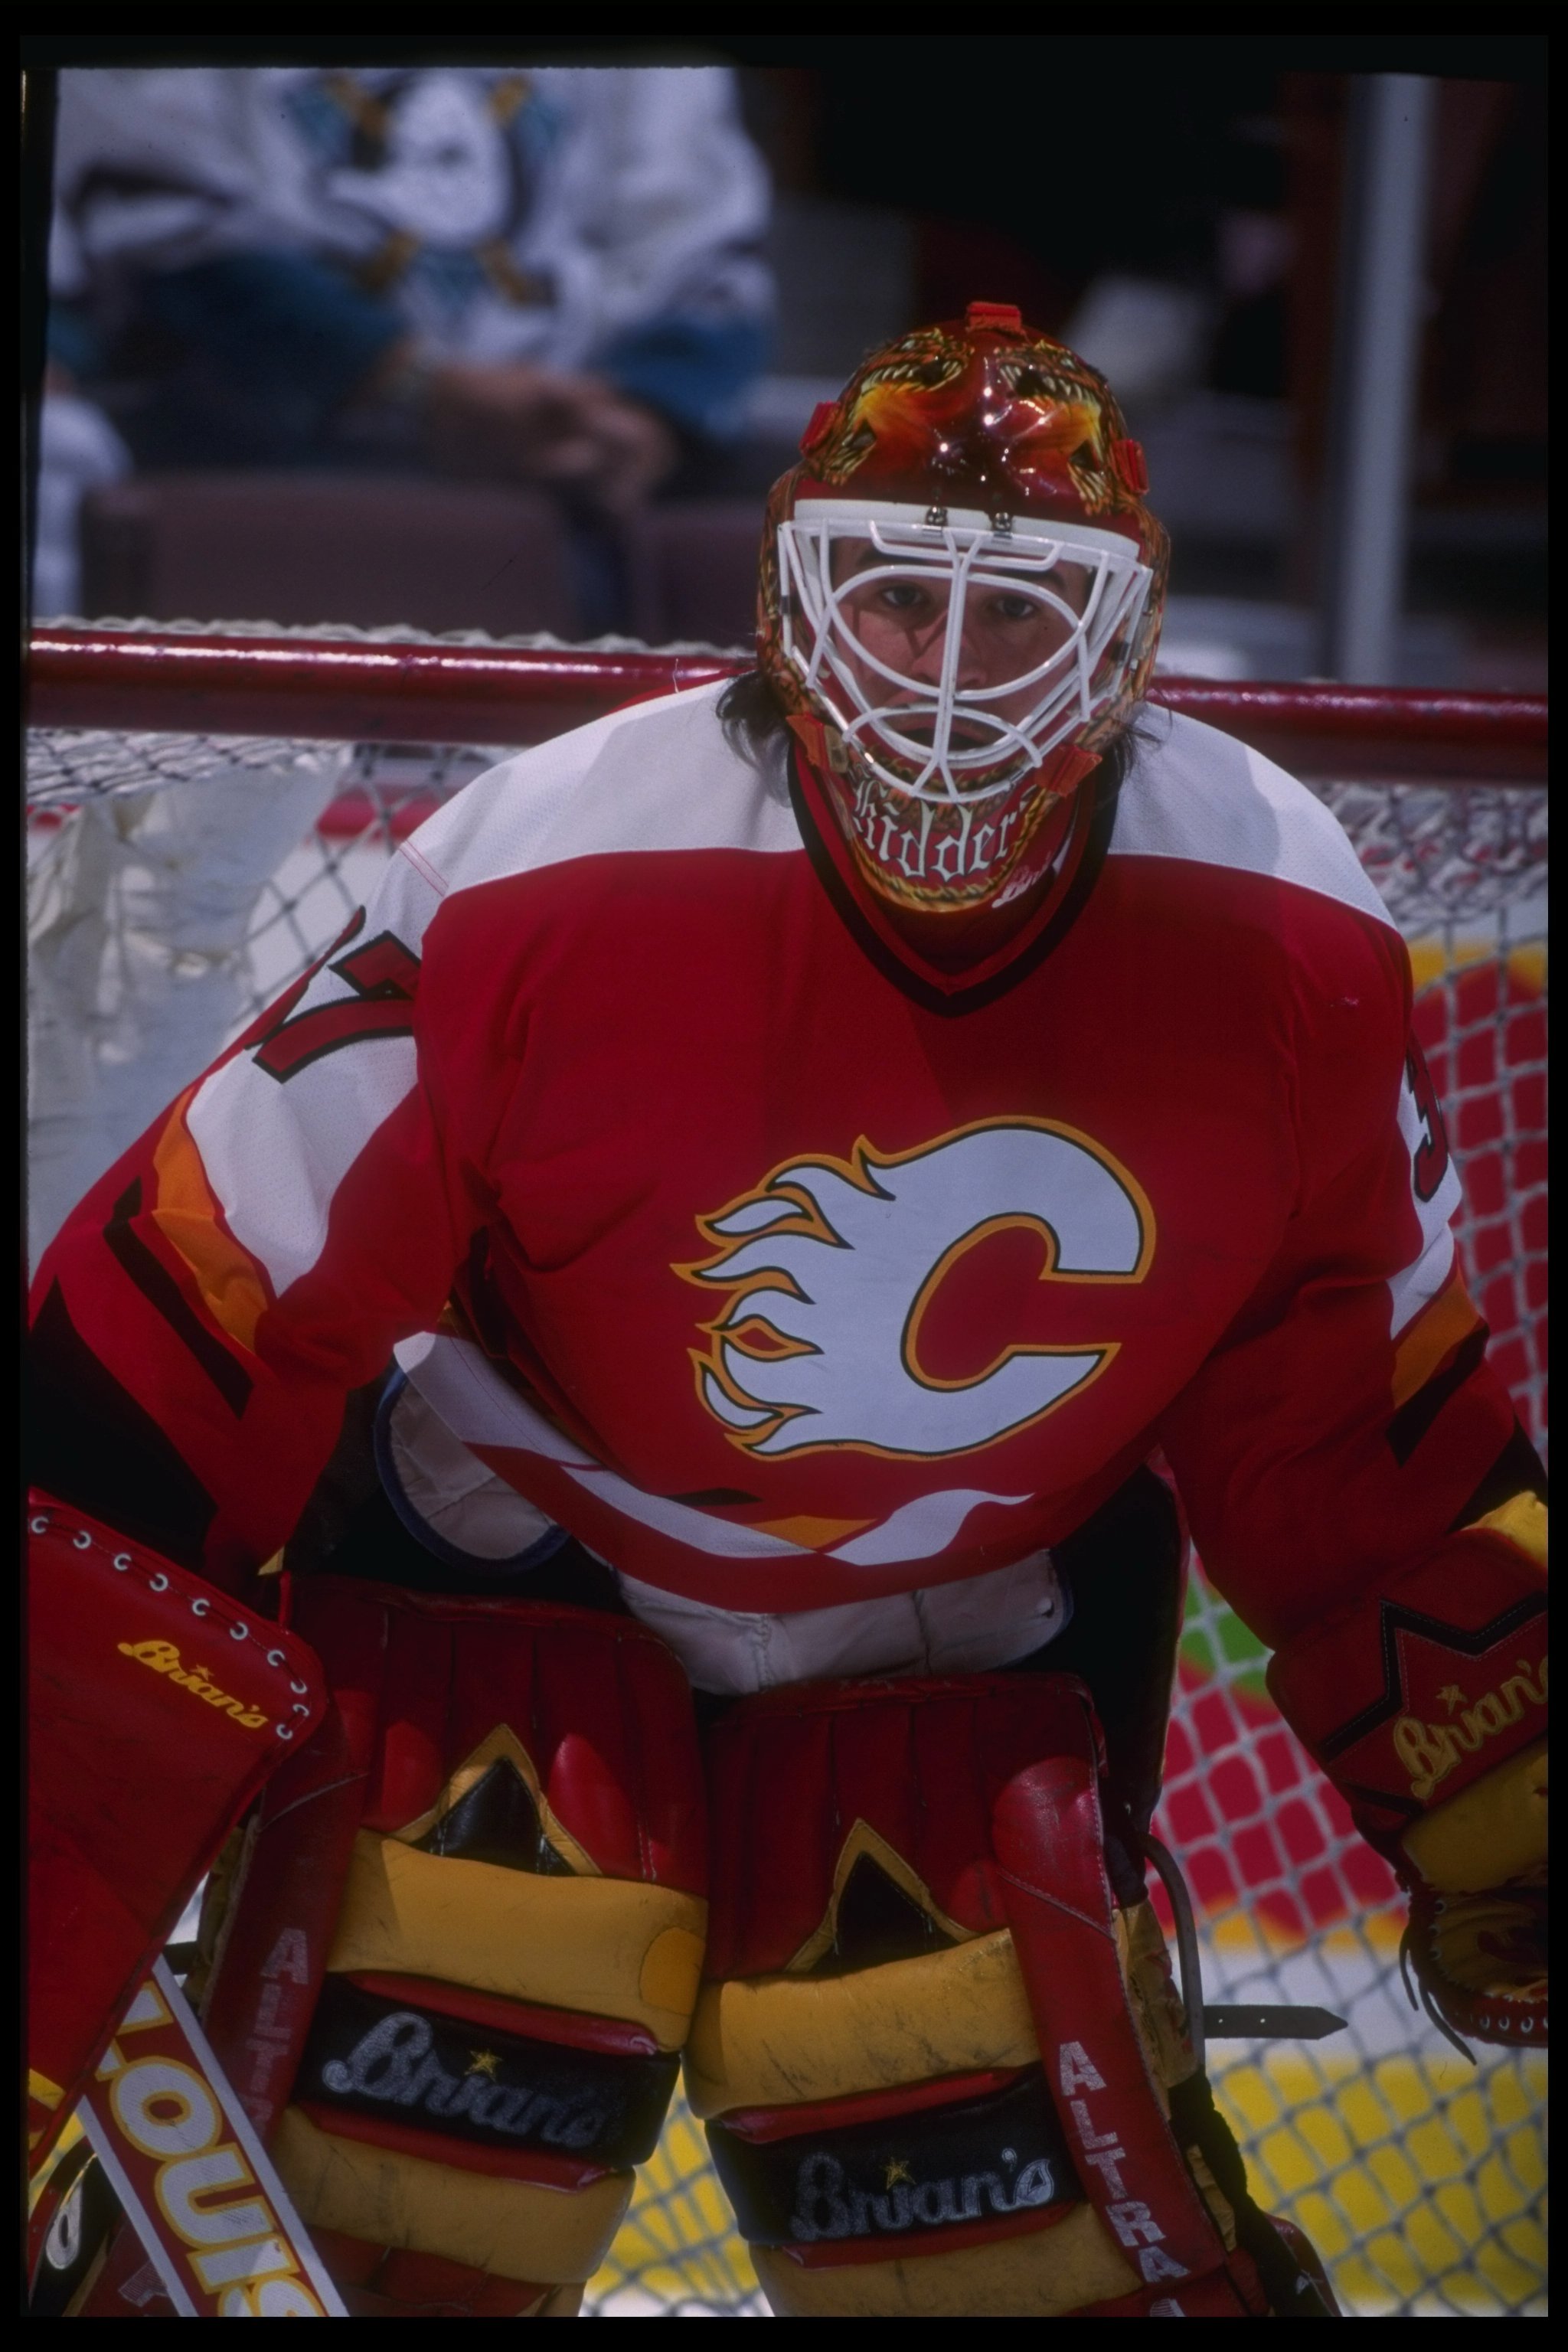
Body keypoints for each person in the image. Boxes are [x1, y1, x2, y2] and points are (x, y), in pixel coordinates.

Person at [28, 304, 1545, 2319]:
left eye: (1014, 620)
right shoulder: (552, 863)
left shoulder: (1291, 918)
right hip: (517, 1576)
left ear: (1128, 636)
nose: (943, 679)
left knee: (1040, 2278)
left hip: (976, 1631)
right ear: (784, 598)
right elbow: (211, 1304)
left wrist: (1508, 1807)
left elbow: (1347, 1411)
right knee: (376, 2233)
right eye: (894, 598)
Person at [39, 64, 773, 609]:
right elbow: (154, 209)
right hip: (243, 470)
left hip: (566, 488)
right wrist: (406, 381)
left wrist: (639, 417)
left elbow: (704, 249)